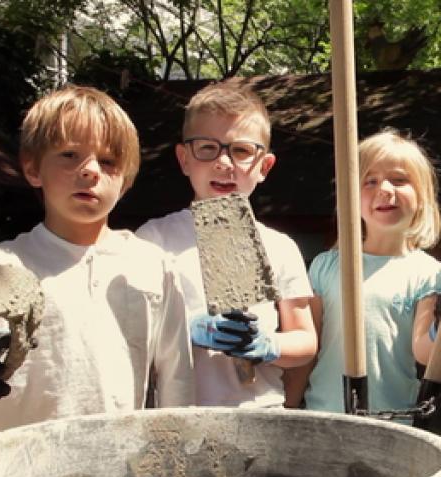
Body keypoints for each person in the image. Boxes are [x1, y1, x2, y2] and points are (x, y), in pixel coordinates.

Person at [0, 85, 195, 431]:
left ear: (126, 181)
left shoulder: (153, 266)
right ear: (32, 168)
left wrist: (178, 450)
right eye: (70, 155)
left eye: (109, 160)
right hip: (17, 468)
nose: (89, 170)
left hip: (119, 465)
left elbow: (178, 378)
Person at [136, 79, 317, 408]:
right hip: (179, 417)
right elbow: (132, 336)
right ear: (184, 159)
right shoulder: (153, 241)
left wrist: (269, 345)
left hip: (259, 413)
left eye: (241, 150)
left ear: (264, 167)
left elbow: (305, 341)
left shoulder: (279, 247)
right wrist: (184, 329)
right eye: (207, 148)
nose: (223, 162)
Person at [286, 129, 441, 418]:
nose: (385, 189)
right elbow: (307, 352)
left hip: (394, 422)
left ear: (423, 196)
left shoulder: (429, 273)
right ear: (351, 197)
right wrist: (288, 407)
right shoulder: (325, 266)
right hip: (325, 417)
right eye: (369, 181)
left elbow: (424, 352)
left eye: (399, 180)